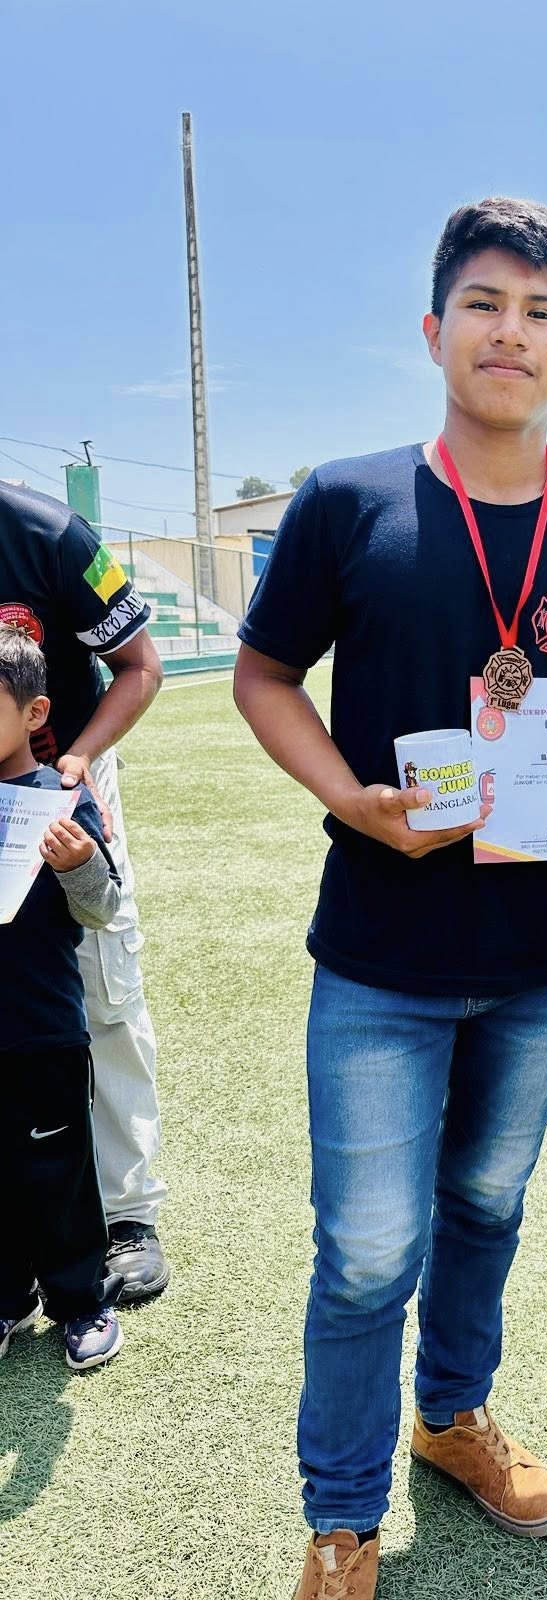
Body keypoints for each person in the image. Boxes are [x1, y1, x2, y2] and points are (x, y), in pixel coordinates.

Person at [234, 196, 547, 1599]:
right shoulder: (347, 500)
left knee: (487, 1205)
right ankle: (341, 1519)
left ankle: (452, 1415)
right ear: (434, 330)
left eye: (542, 313)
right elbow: (265, 675)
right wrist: (347, 798)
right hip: (379, 951)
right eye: (484, 303)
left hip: (540, 958)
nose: (510, 332)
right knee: (367, 1252)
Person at [0, 481, 169, 1303]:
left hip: (59, 784)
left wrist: (79, 759)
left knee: (99, 986)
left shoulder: (48, 533)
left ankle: (128, 1212)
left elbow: (141, 667)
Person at [0, 630, 124, 1370]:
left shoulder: (63, 799)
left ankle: (80, 1300)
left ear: (34, 711)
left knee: (59, 1172)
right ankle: (8, 1296)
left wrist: (79, 866)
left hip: (43, 1025)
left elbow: (102, 909)